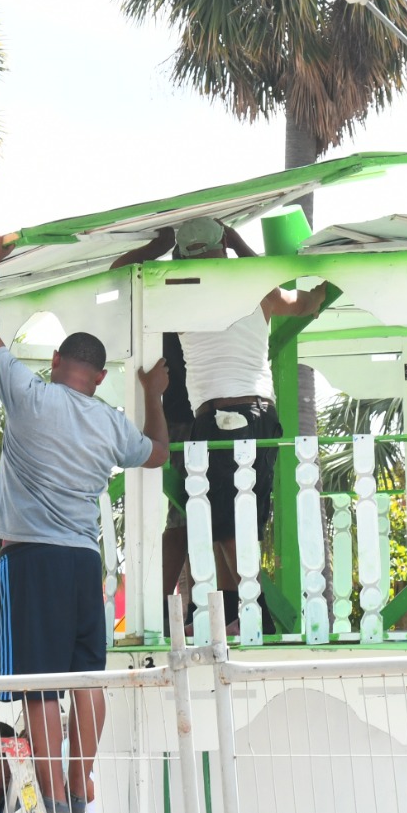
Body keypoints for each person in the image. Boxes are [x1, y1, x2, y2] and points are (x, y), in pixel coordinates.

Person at [0, 229, 168, 813]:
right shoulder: (110, 424)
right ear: (100, 377)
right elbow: (157, 451)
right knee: (86, 681)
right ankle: (80, 783)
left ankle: (54, 797)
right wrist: (153, 393)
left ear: (56, 363)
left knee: (38, 687)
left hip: (32, 560)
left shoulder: (30, 396)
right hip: (85, 565)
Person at [113, 219, 334, 603]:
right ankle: (244, 610)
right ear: (223, 246)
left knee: (220, 522)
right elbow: (308, 303)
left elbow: (118, 276)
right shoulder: (258, 289)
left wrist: (156, 245)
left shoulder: (175, 295)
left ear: (183, 254)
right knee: (242, 519)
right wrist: (243, 245)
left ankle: (256, 608)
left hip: (216, 420)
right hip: (262, 416)